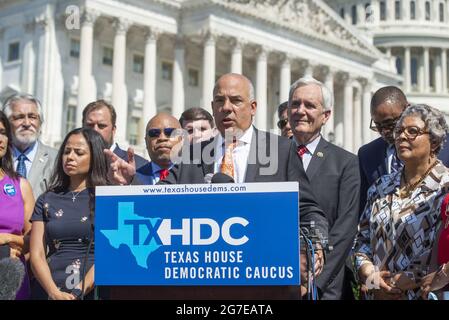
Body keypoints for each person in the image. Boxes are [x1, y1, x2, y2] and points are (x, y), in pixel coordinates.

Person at [105, 73, 328, 299]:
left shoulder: (281, 150)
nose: (227, 108)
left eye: (235, 100)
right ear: (212, 107)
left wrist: (314, 248)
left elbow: (309, 210)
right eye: (220, 101)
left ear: (253, 107)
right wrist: (130, 183)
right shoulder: (191, 154)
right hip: (201, 289)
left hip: (262, 287)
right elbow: (159, 203)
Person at [354, 104, 449, 300]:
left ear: (434, 139)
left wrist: (405, 281)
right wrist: (373, 280)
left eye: (412, 131)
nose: (401, 136)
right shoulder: (380, 186)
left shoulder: (445, 187)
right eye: (399, 131)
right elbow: (361, 242)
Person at [287, 76, 360, 300]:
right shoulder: (270, 159)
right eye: (295, 104)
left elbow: (345, 229)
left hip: (325, 287)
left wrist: (313, 281)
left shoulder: (345, 163)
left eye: (310, 105)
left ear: (325, 115)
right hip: (276, 280)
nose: (300, 110)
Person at [30, 128, 110, 300]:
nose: (70, 157)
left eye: (79, 152)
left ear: (95, 157)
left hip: (91, 290)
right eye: (66, 151)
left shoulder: (107, 199)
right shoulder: (46, 199)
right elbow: (37, 253)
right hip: (48, 290)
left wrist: (77, 292)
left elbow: (109, 253)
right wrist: (53, 292)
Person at [358, 86, 449, 217]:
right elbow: (364, 211)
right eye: (378, 126)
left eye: (390, 124)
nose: (385, 131)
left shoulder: (445, 146)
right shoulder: (367, 155)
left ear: (407, 109)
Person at [0, 111, 35, 299]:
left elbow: (33, 239)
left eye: (3, 132)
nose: (0, 139)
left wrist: (5, 238)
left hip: (13, 282)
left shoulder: (20, 185)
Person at [2, 94, 57, 199]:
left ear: (40, 122)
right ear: (6, 123)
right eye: (19, 117)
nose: (27, 123)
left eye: (32, 117)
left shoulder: (57, 160)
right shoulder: (2, 156)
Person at [82, 99, 148, 170]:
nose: (95, 130)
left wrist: (129, 180)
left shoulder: (141, 165)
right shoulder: (72, 163)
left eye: (101, 125)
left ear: (113, 130)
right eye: (89, 125)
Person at [135, 113, 183, 184]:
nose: (162, 138)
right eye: (154, 133)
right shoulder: (133, 178)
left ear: (181, 140)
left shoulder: (197, 175)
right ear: (146, 142)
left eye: (170, 132)